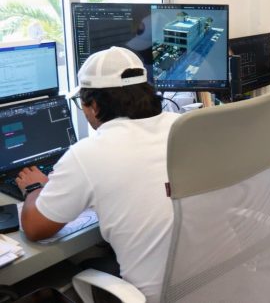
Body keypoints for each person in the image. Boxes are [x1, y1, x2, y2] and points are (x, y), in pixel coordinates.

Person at [16, 47, 179, 303]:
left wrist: (35, 189)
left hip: (158, 297)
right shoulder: (182, 126)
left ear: (93, 105)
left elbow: (35, 229)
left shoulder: (88, 154)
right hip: (217, 282)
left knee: (79, 267)